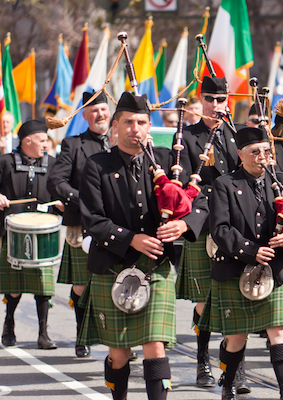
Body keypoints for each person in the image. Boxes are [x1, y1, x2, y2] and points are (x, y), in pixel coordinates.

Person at [78, 92, 208, 400]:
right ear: (116, 126)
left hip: (156, 267)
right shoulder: (96, 166)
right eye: (128, 122)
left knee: (155, 345)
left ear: (149, 126)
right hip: (112, 265)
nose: (135, 128)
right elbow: (93, 221)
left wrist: (185, 224)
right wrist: (131, 238)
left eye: (141, 122)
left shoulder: (168, 161)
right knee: (120, 353)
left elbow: (198, 202)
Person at [199, 126, 283, 400]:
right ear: (241, 154)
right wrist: (251, 251)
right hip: (237, 267)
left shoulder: (282, 182)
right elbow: (220, 229)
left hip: (277, 270)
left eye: (267, 152)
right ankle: (228, 384)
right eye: (255, 152)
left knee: (279, 330)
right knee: (237, 337)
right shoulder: (225, 184)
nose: (263, 157)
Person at [176, 76, 250, 392]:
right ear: (200, 100)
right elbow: (179, 186)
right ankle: (203, 361)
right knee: (206, 302)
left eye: (221, 100)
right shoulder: (186, 137)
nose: (215, 106)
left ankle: (237, 371)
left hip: (235, 228)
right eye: (209, 99)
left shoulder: (236, 138)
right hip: (203, 225)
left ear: (228, 102)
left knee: (239, 298)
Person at [47, 91, 112, 358]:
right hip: (83, 224)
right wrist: (79, 198)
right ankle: (82, 333)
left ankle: (117, 341)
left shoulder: (122, 142)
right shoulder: (74, 145)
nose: (100, 115)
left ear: (111, 114)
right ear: (85, 115)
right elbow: (56, 181)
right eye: (94, 111)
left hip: (119, 224)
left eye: (104, 110)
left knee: (116, 281)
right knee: (82, 285)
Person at [0, 120, 62, 349]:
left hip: (42, 233)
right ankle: (9, 324)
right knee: (13, 287)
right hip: (11, 232)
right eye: (43, 140)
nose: (46, 144)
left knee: (43, 288)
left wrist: (62, 204)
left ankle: (43, 333)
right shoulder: (5, 163)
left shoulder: (54, 165)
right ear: (28, 141)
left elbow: (60, 191)